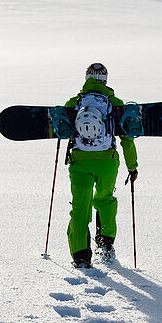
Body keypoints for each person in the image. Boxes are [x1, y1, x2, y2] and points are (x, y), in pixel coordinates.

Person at [63, 62, 138, 268]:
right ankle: (105, 247)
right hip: (108, 162)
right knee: (105, 200)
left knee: (80, 209)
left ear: (86, 78)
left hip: (80, 162)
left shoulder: (73, 103)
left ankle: (80, 257)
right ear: (105, 81)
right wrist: (132, 166)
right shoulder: (115, 103)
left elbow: (62, 130)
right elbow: (127, 138)